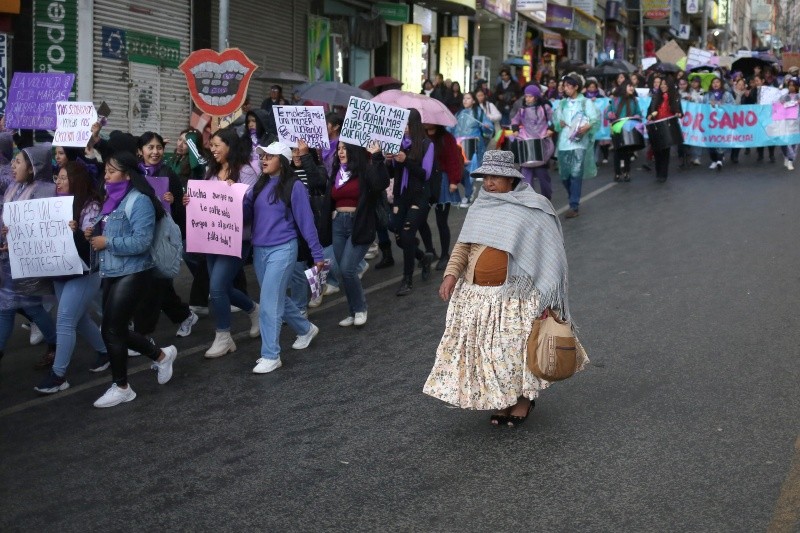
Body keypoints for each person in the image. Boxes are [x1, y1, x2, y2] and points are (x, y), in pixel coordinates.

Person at [423, 150, 588, 427]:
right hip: (477, 295)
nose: (488, 183)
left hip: (516, 296)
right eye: (485, 177)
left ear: (511, 179)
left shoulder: (533, 207)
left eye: (495, 177)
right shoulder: (480, 206)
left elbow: (549, 254)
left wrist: (544, 296)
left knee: (514, 352)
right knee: (488, 352)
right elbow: (464, 246)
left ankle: (523, 400)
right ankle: (505, 399)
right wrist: (451, 275)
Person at [86, 152, 177, 408]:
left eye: (112, 171)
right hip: (112, 270)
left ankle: (122, 386)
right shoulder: (111, 200)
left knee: (111, 329)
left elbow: (141, 241)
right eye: (105, 171)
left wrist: (108, 242)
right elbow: (107, 228)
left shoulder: (140, 201)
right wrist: (92, 231)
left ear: (127, 174)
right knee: (116, 329)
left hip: (135, 271)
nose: (106, 176)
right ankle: (161, 355)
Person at [243, 142, 324, 374]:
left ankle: (271, 355)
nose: (264, 159)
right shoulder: (259, 185)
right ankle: (306, 329)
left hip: (283, 249)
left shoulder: (294, 185)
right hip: (260, 251)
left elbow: (306, 221)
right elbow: (247, 216)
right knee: (277, 296)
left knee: (269, 302)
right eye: (262, 156)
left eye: (270, 155)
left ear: (283, 160)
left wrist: (317, 254)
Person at [184, 127, 260, 358]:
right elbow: (205, 202)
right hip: (211, 237)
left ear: (229, 145)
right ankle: (253, 309)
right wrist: (191, 201)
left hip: (237, 239)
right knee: (223, 287)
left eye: (217, 145)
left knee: (216, 287)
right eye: (212, 145)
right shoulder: (211, 169)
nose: (212, 149)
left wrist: (232, 197)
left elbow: (251, 208)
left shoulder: (246, 172)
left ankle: (224, 336)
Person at [34, 162, 108, 394]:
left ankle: (58, 376)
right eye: (57, 178)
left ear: (76, 180)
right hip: (60, 271)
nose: (58, 182)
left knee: (65, 320)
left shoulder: (90, 206)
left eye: (64, 178)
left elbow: (91, 243)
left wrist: (76, 231)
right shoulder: (52, 205)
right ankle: (105, 352)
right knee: (79, 319)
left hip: (83, 272)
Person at [318, 141, 388, 327]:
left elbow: (381, 183)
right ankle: (352, 311)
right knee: (342, 271)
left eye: (345, 148)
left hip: (360, 224)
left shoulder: (365, 170)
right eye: (339, 149)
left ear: (354, 151)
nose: (340, 152)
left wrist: (377, 156)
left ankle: (360, 309)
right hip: (338, 224)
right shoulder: (337, 172)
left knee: (348, 269)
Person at [0, 146, 58, 368]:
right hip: (8, 262)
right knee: (5, 308)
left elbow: (49, 227)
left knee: (30, 308)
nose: (12, 166)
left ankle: (55, 345)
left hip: (29, 264)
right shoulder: (14, 187)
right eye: (12, 161)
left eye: (18, 162)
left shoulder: (45, 190)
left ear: (33, 167)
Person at [387, 109, 435, 296]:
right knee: (394, 228)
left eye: (406, 125)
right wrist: (388, 160)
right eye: (402, 125)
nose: (404, 129)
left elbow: (425, 174)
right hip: (400, 196)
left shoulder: (426, 144)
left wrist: (406, 160)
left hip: (419, 196)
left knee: (407, 236)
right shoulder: (398, 144)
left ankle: (407, 279)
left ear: (414, 125)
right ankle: (422, 257)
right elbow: (392, 173)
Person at [552, 73, 600, 218]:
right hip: (564, 144)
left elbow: (595, 120)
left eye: (568, 86)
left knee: (575, 173)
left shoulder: (586, 103)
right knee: (565, 176)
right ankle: (572, 195)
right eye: (564, 86)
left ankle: (574, 205)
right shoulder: (562, 104)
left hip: (580, 144)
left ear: (576, 87)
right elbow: (556, 122)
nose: (565, 89)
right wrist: (558, 124)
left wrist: (587, 127)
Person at [419, 124, 463, 271]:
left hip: (443, 181)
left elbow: (453, 160)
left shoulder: (446, 138)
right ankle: (430, 251)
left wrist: (453, 180)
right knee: (420, 218)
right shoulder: (419, 137)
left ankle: (445, 255)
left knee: (441, 221)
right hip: (425, 181)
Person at [449, 92, 495, 206]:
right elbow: (451, 128)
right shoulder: (459, 113)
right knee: (458, 172)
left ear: (473, 101)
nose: (465, 100)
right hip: (458, 145)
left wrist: (487, 127)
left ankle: (468, 196)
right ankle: (463, 195)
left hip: (473, 146)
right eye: (464, 98)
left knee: (469, 172)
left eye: (468, 98)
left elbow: (488, 127)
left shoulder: (478, 113)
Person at [510, 84, 555, 199]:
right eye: (526, 96)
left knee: (542, 176)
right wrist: (515, 130)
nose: (527, 98)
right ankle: (528, 200)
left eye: (530, 96)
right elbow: (515, 121)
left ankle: (546, 198)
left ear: (536, 96)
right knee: (525, 175)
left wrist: (550, 130)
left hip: (541, 144)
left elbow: (553, 121)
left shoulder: (545, 108)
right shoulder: (522, 110)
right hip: (527, 143)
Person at [647, 77, 683, 182]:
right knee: (657, 151)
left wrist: (678, 113)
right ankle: (658, 173)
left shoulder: (674, 97)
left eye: (665, 84)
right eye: (661, 84)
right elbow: (650, 111)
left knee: (665, 152)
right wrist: (649, 116)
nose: (662, 86)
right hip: (656, 126)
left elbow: (680, 113)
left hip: (668, 127)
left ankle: (663, 174)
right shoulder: (655, 97)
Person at [606, 81, 643, 182]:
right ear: (624, 87)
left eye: (633, 86)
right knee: (617, 152)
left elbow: (639, 113)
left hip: (629, 128)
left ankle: (627, 172)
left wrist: (637, 116)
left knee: (627, 151)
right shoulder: (615, 100)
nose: (632, 88)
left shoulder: (634, 100)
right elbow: (608, 111)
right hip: (617, 128)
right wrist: (610, 114)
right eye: (630, 86)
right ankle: (617, 173)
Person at [703, 77, 733, 171]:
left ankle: (719, 159)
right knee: (711, 140)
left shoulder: (727, 94)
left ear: (721, 84)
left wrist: (721, 105)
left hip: (723, 122)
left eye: (717, 82)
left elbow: (733, 105)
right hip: (711, 122)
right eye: (713, 82)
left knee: (721, 140)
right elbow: (702, 106)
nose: (715, 84)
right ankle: (714, 159)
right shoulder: (707, 95)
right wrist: (709, 103)